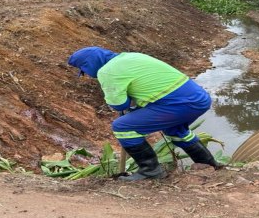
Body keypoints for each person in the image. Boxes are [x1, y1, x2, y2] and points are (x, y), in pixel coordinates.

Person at [68, 46, 223, 181]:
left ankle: (150, 171)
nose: (88, 75)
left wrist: (129, 102)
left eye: (85, 71)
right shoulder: (131, 56)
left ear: (89, 64)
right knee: (175, 130)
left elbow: (119, 104)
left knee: (122, 127)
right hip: (198, 98)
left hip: (178, 104)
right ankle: (210, 166)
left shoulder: (107, 71)